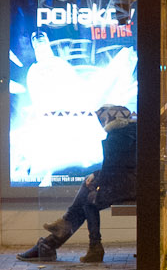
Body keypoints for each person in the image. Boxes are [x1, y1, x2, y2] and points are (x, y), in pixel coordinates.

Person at [17, 105, 137, 263]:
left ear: (111, 119)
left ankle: (84, 244)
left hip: (127, 187)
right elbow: (119, 166)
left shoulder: (117, 137)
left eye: (104, 119)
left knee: (88, 202)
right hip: (130, 184)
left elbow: (115, 168)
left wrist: (96, 178)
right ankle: (50, 243)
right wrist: (95, 176)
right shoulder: (130, 133)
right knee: (87, 191)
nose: (102, 123)